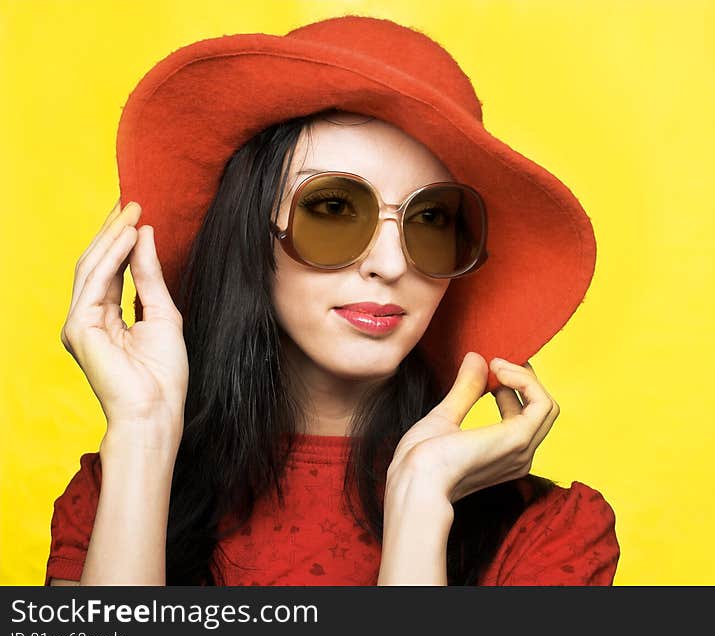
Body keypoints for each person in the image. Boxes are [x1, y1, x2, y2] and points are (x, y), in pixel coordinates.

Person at [45, 15, 619, 586]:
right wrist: (143, 431)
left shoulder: (552, 537)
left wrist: (422, 504)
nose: (391, 264)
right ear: (248, 230)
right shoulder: (117, 494)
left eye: (431, 218)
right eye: (335, 208)